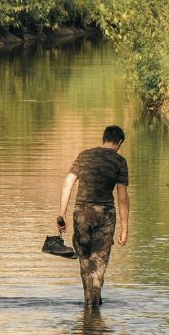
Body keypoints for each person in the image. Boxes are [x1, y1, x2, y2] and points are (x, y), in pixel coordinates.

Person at [58, 125, 130, 307]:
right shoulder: (120, 162)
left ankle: (89, 306)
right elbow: (122, 198)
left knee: (85, 262)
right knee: (98, 264)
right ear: (119, 142)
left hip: (81, 214)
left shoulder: (84, 156)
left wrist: (62, 214)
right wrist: (125, 227)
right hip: (104, 216)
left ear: (103, 138)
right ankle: (94, 305)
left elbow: (68, 184)